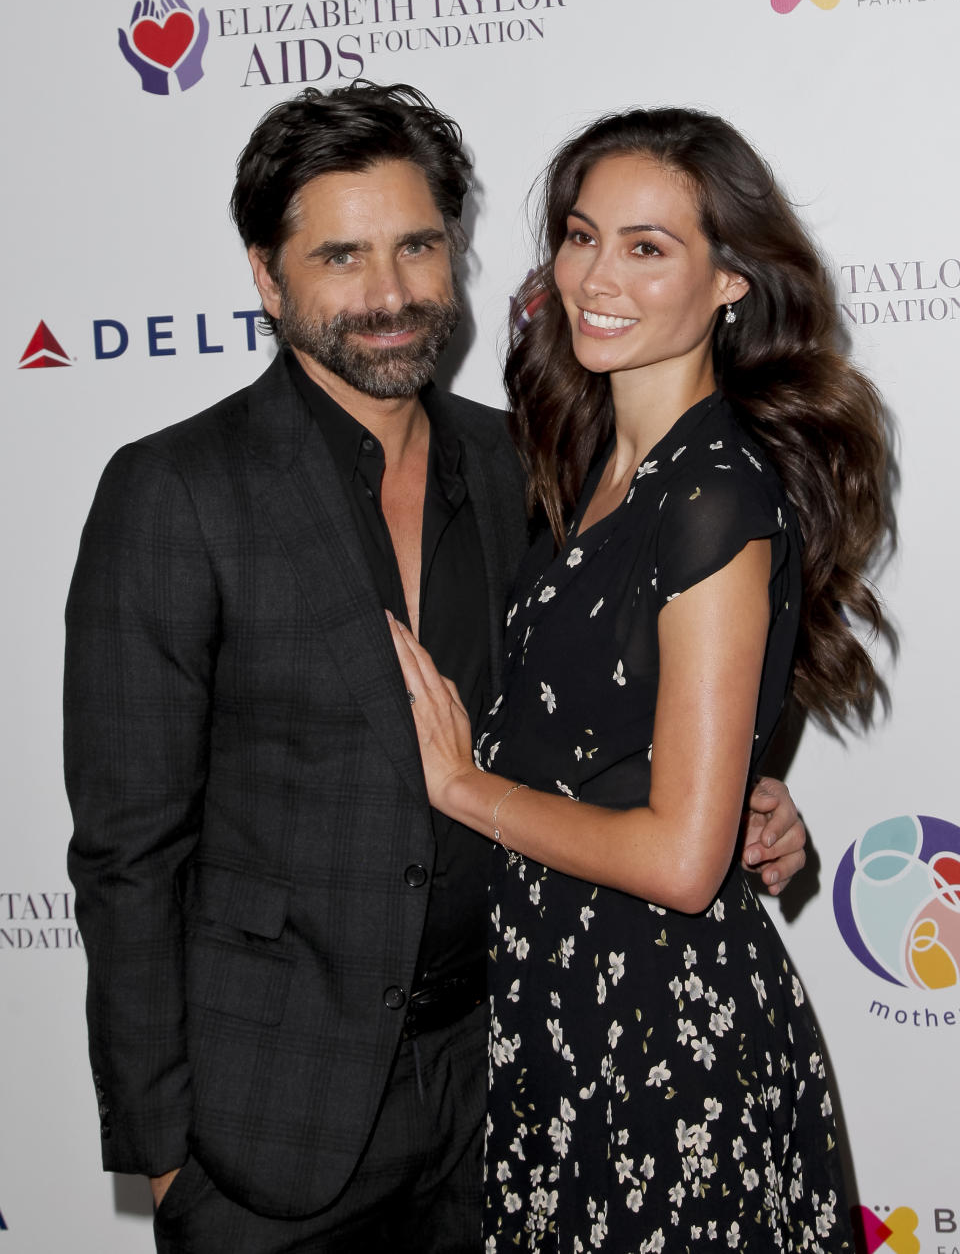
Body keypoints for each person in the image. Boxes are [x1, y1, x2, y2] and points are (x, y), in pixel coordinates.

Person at [65, 84, 807, 1254]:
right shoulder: (176, 492)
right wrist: (167, 1161)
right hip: (272, 1125)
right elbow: (126, 852)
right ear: (268, 277)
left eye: (417, 245)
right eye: (342, 256)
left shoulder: (529, 462)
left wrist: (733, 798)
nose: (392, 292)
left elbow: (590, 711)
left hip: (508, 1085)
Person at [388, 106, 888, 1251]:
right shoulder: (581, 463)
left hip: (662, 1044)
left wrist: (461, 787)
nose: (594, 275)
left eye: (647, 246)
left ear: (730, 282)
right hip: (560, 1024)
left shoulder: (712, 489)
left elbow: (676, 858)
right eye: (579, 233)